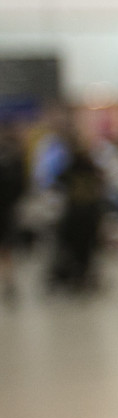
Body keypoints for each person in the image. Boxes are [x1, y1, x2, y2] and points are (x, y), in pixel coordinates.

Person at [46, 133, 107, 293]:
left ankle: (79, 276)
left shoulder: (70, 169)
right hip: (88, 215)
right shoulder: (92, 169)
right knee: (85, 250)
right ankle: (82, 275)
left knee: (76, 248)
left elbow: (56, 184)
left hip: (76, 215)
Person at [0, 124, 25, 302]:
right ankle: (9, 281)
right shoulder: (14, 160)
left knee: (6, 248)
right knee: (6, 248)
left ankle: (9, 281)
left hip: (6, 210)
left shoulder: (12, 161)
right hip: (8, 210)